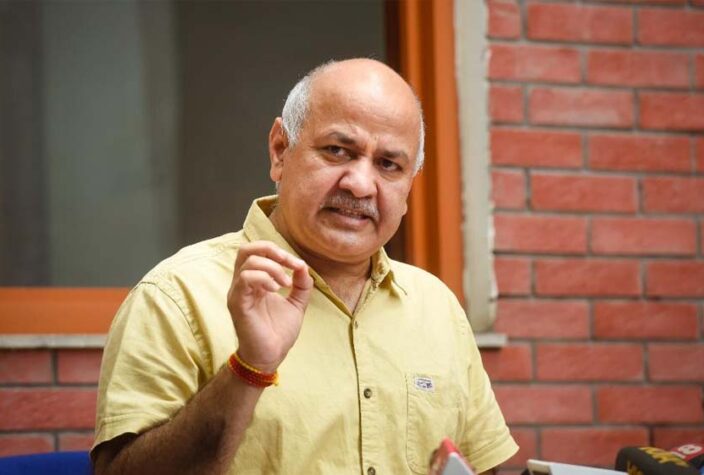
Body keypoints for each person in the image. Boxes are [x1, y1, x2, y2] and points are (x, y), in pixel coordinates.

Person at [92, 58, 517, 475]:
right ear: (280, 150)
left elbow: (482, 467)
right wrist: (249, 369)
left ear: (409, 186)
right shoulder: (175, 296)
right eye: (337, 151)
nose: (360, 184)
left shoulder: (436, 306)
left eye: (389, 164)